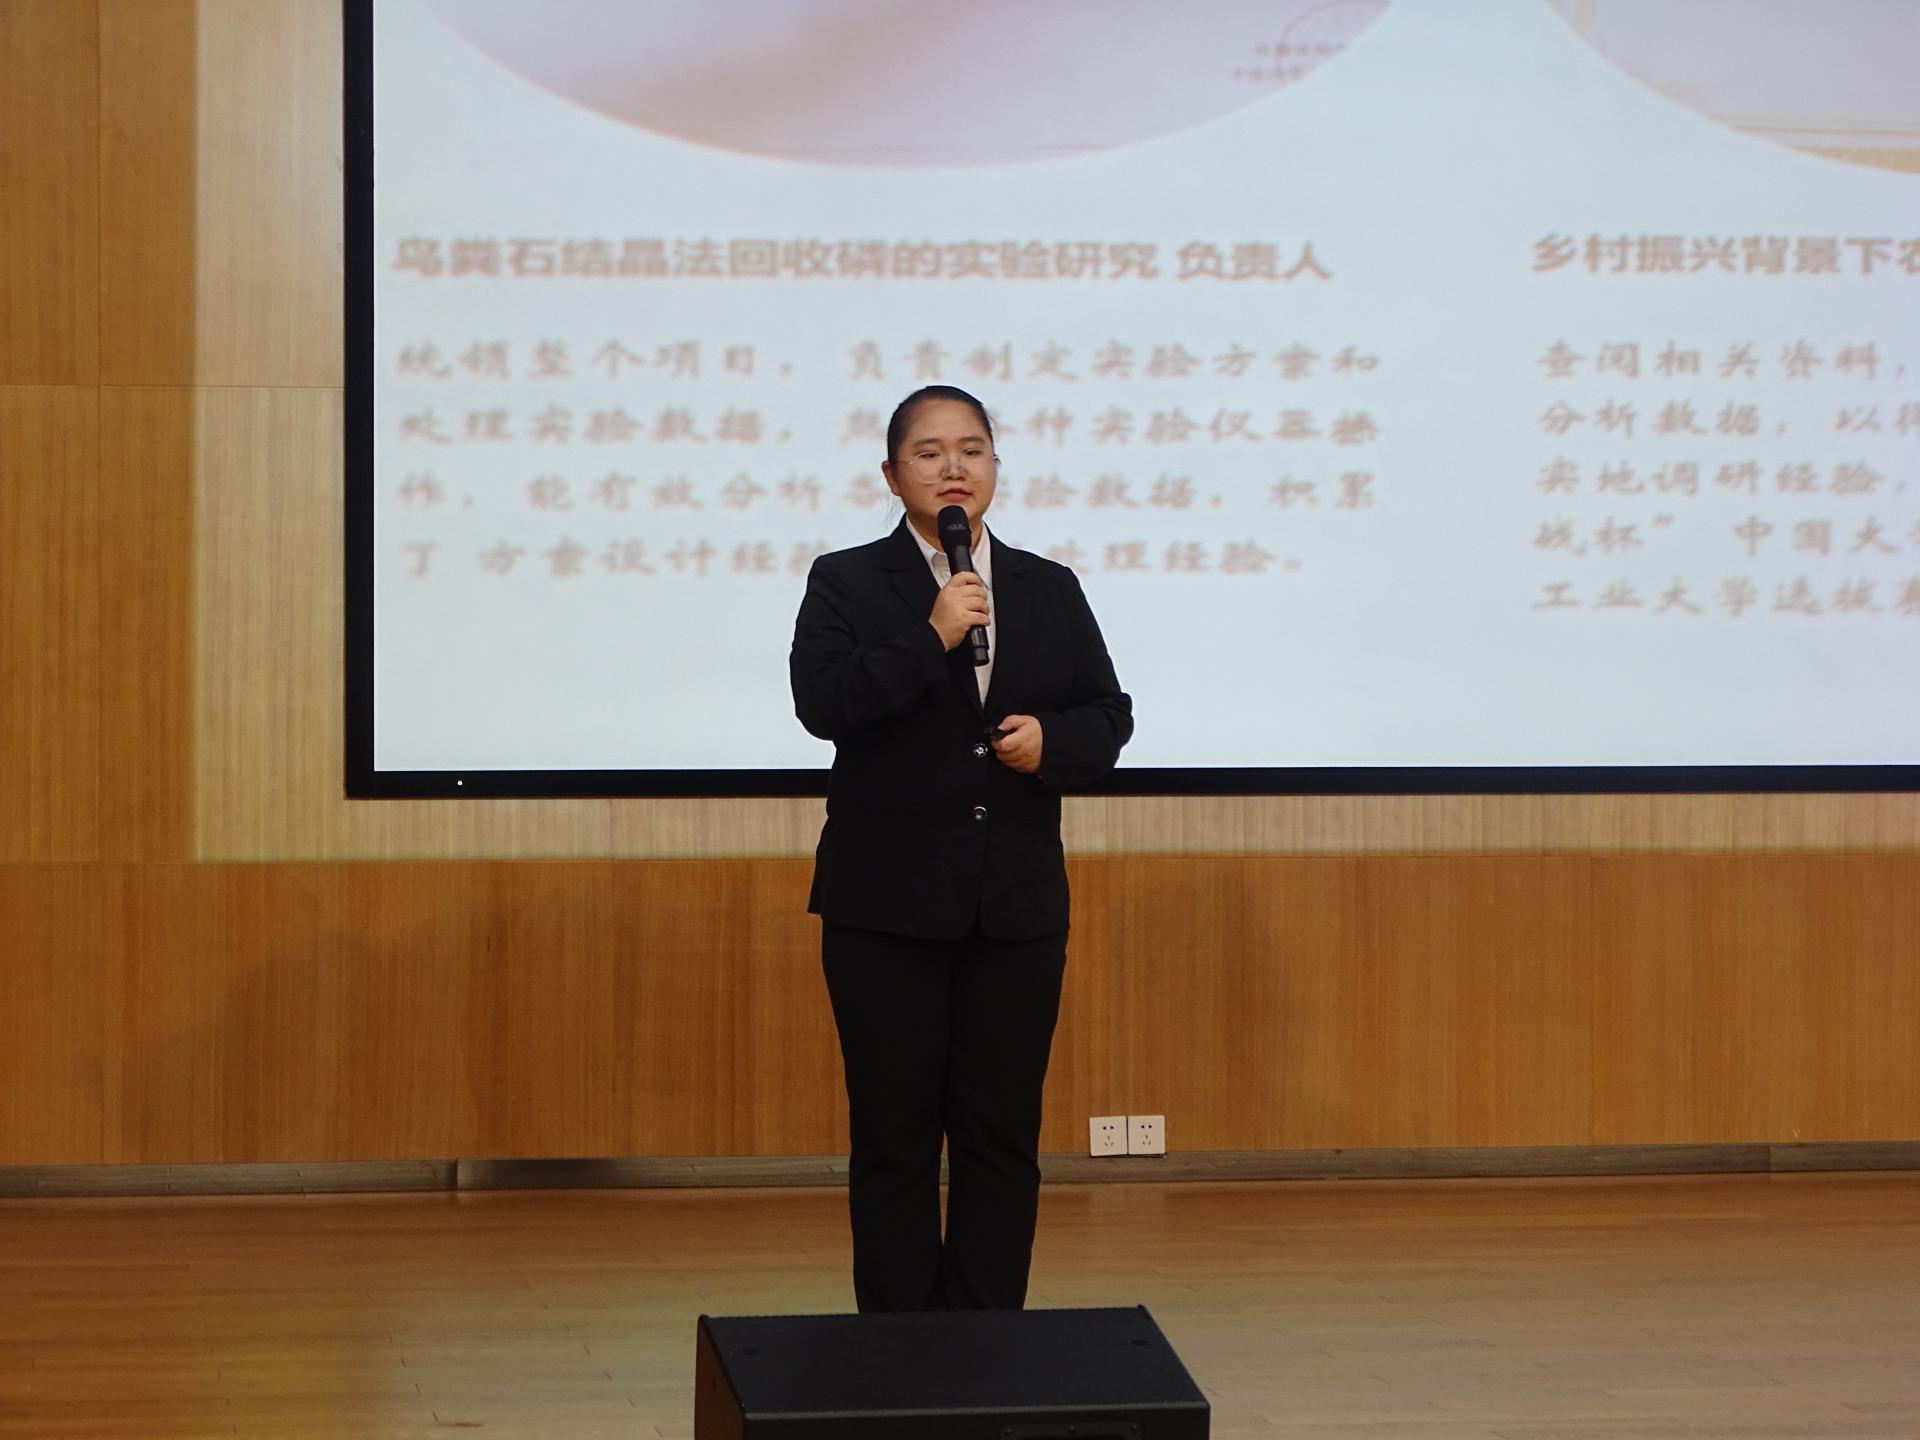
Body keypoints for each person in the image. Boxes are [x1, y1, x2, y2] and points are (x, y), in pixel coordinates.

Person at [789, 385, 1133, 1312]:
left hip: (1013, 909)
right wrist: (931, 634)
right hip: (885, 906)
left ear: (994, 466)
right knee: (896, 1140)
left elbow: (1109, 715)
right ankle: (901, 1347)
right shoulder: (847, 581)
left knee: (1000, 1137)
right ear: (892, 472)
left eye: (973, 450)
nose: (954, 468)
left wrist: (1051, 742)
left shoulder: (1047, 586)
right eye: (931, 452)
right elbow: (824, 703)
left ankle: (986, 1344)